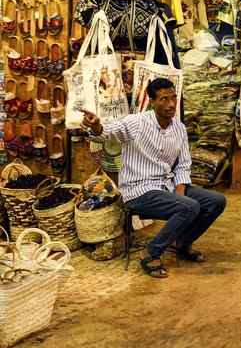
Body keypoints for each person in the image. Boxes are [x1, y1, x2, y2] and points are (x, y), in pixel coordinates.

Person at [80, 78, 226, 278]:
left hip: (166, 186)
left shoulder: (179, 129)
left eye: (174, 98)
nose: (171, 104)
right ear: (152, 102)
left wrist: (180, 191)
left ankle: (183, 242)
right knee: (189, 207)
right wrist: (96, 126)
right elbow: (110, 132)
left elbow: (183, 164)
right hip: (138, 190)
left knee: (216, 201)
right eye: (164, 99)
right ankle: (151, 252)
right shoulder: (137, 123)